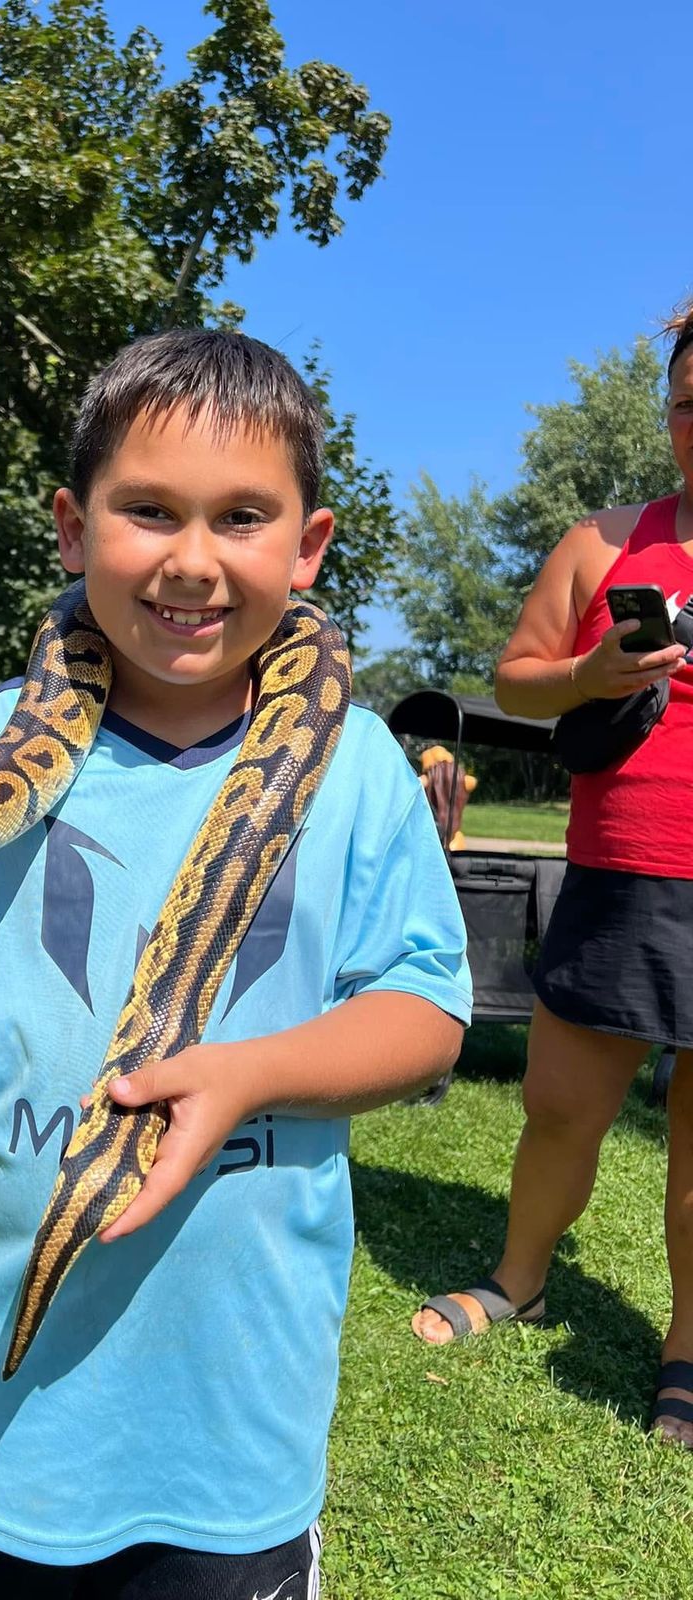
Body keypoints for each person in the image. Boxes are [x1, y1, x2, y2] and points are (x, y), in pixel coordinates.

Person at [0, 330, 471, 1599]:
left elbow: (430, 1014)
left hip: (229, 1423)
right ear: (72, 526)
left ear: (309, 548)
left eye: (242, 518)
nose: (193, 560)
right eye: (149, 511)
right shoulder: (1, 733)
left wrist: (254, 1073)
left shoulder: (361, 764)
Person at [411, 304, 693, 1447]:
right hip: (621, 870)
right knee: (559, 1109)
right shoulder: (605, 539)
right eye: (689, 401)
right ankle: (519, 1279)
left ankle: (686, 1348)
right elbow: (518, 681)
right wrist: (588, 671)